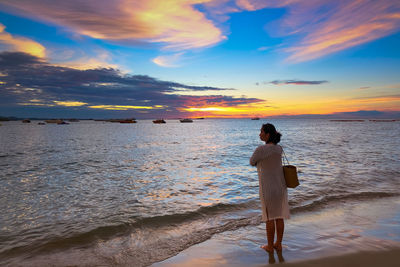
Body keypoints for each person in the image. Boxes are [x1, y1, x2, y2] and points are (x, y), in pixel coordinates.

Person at [250, 123, 290, 253]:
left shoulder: (261, 149)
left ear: (267, 134)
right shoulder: (279, 149)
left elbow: (252, 161)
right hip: (280, 186)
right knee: (279, 216)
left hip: (268, 187)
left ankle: (269, 246)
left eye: (261, 132)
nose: (259, 134)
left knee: (269, 217)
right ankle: (278, 244)